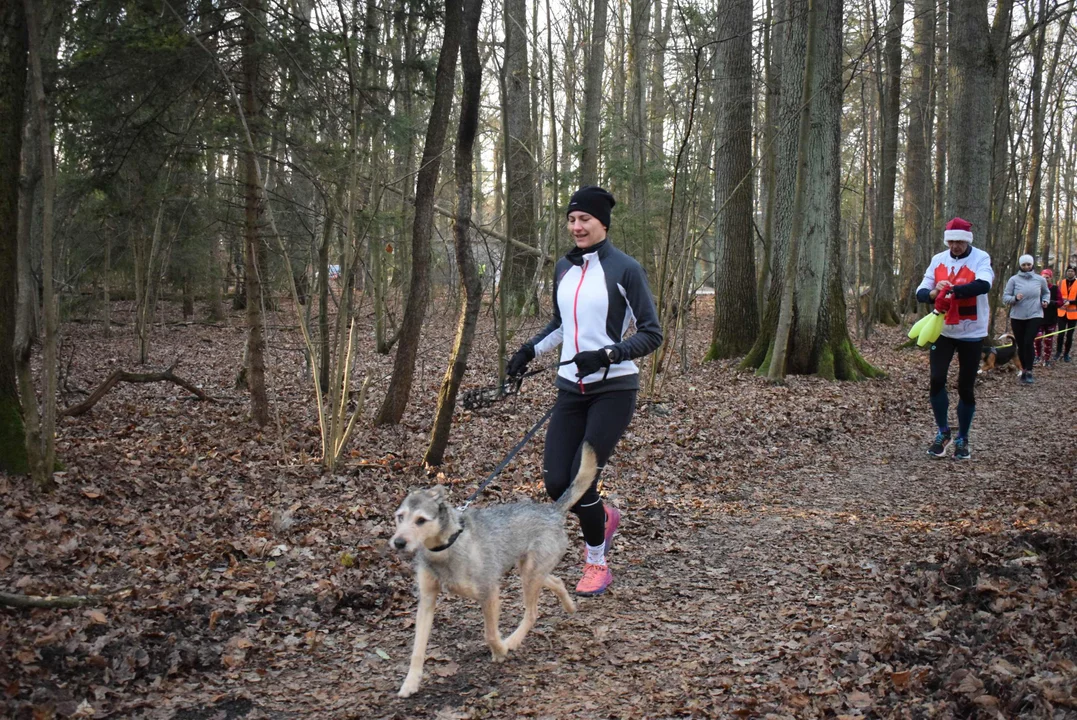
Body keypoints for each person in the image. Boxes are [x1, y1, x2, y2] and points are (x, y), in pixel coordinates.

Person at [505, 186, 663, 596]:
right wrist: (528, 351)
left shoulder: (625, 269)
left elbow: (651, 333)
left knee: (580, 479)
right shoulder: (563, 268)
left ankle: (597, 562)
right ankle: (604, 516)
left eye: (584, 220)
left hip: (614, 389)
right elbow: (560, 325)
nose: (577, 226)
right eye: (572, 220)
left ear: (602, 224)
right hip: (571, 389)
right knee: (557, 482)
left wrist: (610, 353)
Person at [916, 217, 993, 461]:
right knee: (937, 379)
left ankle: (963, 438)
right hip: (943, 330)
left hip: (972, 331)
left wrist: (953, 291)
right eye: (951, 241)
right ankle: (943, 432)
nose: (955, 246)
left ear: (967, 241)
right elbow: (921, 292)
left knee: (965, 387)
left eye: (959, 241)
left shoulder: (981, 258)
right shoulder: (938, 259)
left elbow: (984, 285)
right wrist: (934, 292)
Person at [1003, 254, 1050, 384]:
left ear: (1032, 265)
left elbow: (1046, 292)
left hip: (1035, 314)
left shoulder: (1040, 279)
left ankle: (1029, 370)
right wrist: (1015, 298)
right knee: (1021, 344)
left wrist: (1045, 300)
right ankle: (1023, 369)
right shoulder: (1013, 280)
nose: (1026, 267)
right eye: (1024, 265)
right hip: (1017, 316)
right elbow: (1005, 297)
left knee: (1029, 341)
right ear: (1020, 266)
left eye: (1028, 264)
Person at [1034, 268, 1063, 367]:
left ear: (1051, 278)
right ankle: (1037, 356)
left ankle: (1046, 359)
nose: (1045, 279)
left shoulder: (1054, 288)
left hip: (1051, 319)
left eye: (1047, 278)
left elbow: (1060, 302)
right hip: (1038, 318)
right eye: (1043, 278)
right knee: (1037, 338)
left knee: (1048, 340)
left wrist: (1051, 302)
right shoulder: (1036, 288)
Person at [1056, 265, 1077, 362]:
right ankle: (1058, 352)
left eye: (1072, 271)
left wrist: (1071, 302)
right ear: (1066, 272)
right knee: (1060, 334)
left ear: (1075, 273)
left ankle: (1066, 354)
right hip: (1061, 313)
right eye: (1068, 271)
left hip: (1073, 315)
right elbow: (1056, 296)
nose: (1070, 273)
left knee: (1069, 335)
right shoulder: (1060, 283)